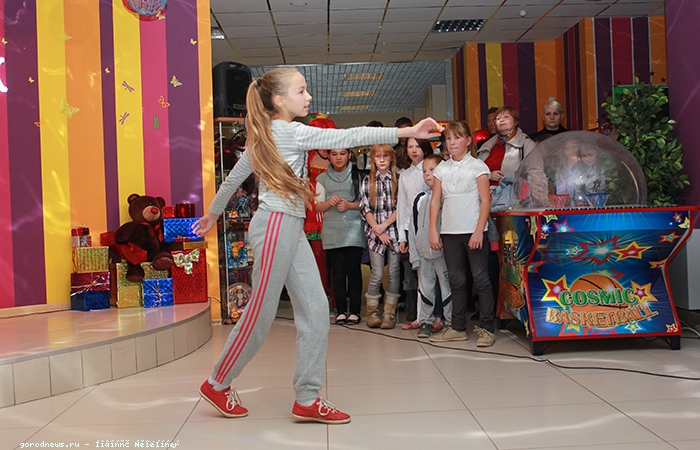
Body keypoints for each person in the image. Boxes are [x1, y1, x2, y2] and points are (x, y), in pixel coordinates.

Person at [193, 66, 442, 424]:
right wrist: (407, 131)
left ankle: (307, 398)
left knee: (315, 311)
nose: (308, 97)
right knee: (260, 313)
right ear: (279, 99)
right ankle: (217, 383)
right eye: (301, 91)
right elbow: (349, 136)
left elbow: (232, 180)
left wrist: (212, 214)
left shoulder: (265, 134)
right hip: (276, 225)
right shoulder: (289, 132)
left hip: (287, 226)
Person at [429, 121, 497, 347]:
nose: (452, 142)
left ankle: (487, 329)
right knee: (456, 280)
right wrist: (434, 230)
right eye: (448, 139)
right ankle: (458, 327)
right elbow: (435, 201)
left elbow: (485, 200)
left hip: (474, 231)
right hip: (450, 232)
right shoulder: (441, 169)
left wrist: (478, 231)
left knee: (481, 279)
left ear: (468, 141)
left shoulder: (478, 166)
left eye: (457, 138)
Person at [315, 146, 365, 325]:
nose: (338, 158)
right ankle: (341, 311)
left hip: (354, 229)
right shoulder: (321, 179)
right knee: (338, 272)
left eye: (342, 154)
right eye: (334, 154)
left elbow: (367, 202)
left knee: (353, 271)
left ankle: (355, 311)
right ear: (328, 155)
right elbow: (318, 206)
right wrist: (329, 202)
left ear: (349, 155)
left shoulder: (358, 176)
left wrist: (350, 205)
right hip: (332, 231)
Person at [407, 153, 452, 338]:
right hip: (424, 252)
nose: (427, 174)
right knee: (425, 288)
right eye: (424, 171)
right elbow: (413, 229)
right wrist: (414, 255)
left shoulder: (448, 197)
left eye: (432, 170)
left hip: (443, 254)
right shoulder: (420, 199)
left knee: (447, 288)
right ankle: (425, 321)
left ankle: (450, 322)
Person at [360, 143, 401, 329]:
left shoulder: (398, 179)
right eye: (378, 156)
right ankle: (372, 313)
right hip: (375, 233)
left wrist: (385, 226)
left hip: (394, 233)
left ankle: (389, 314)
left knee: (393, 272)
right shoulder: (367, 181)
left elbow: (401, 207)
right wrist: (378, 229)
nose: (382, 160)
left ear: (391, 158)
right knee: (376, 274)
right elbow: (365, 208)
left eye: (385, 156)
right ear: (373, 160)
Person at [397, 137, 434, 327]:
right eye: (410, 146)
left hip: (430, 226)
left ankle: (436, 316)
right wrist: (402, 236)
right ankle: (422, 316)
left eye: (417, 146)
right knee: (419, 272)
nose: (413, 150)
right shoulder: (404, 175)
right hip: (411, 228)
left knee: (434, 273)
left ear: (425, 148)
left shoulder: (432, 170)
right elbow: (402, 206)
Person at [305, 117, 333, 305]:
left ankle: (338, 300)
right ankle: (321, 298)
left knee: (336, 259)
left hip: (334, 209)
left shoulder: (337, 154)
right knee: (317, 257)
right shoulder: (306, 156)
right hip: (312, 210)